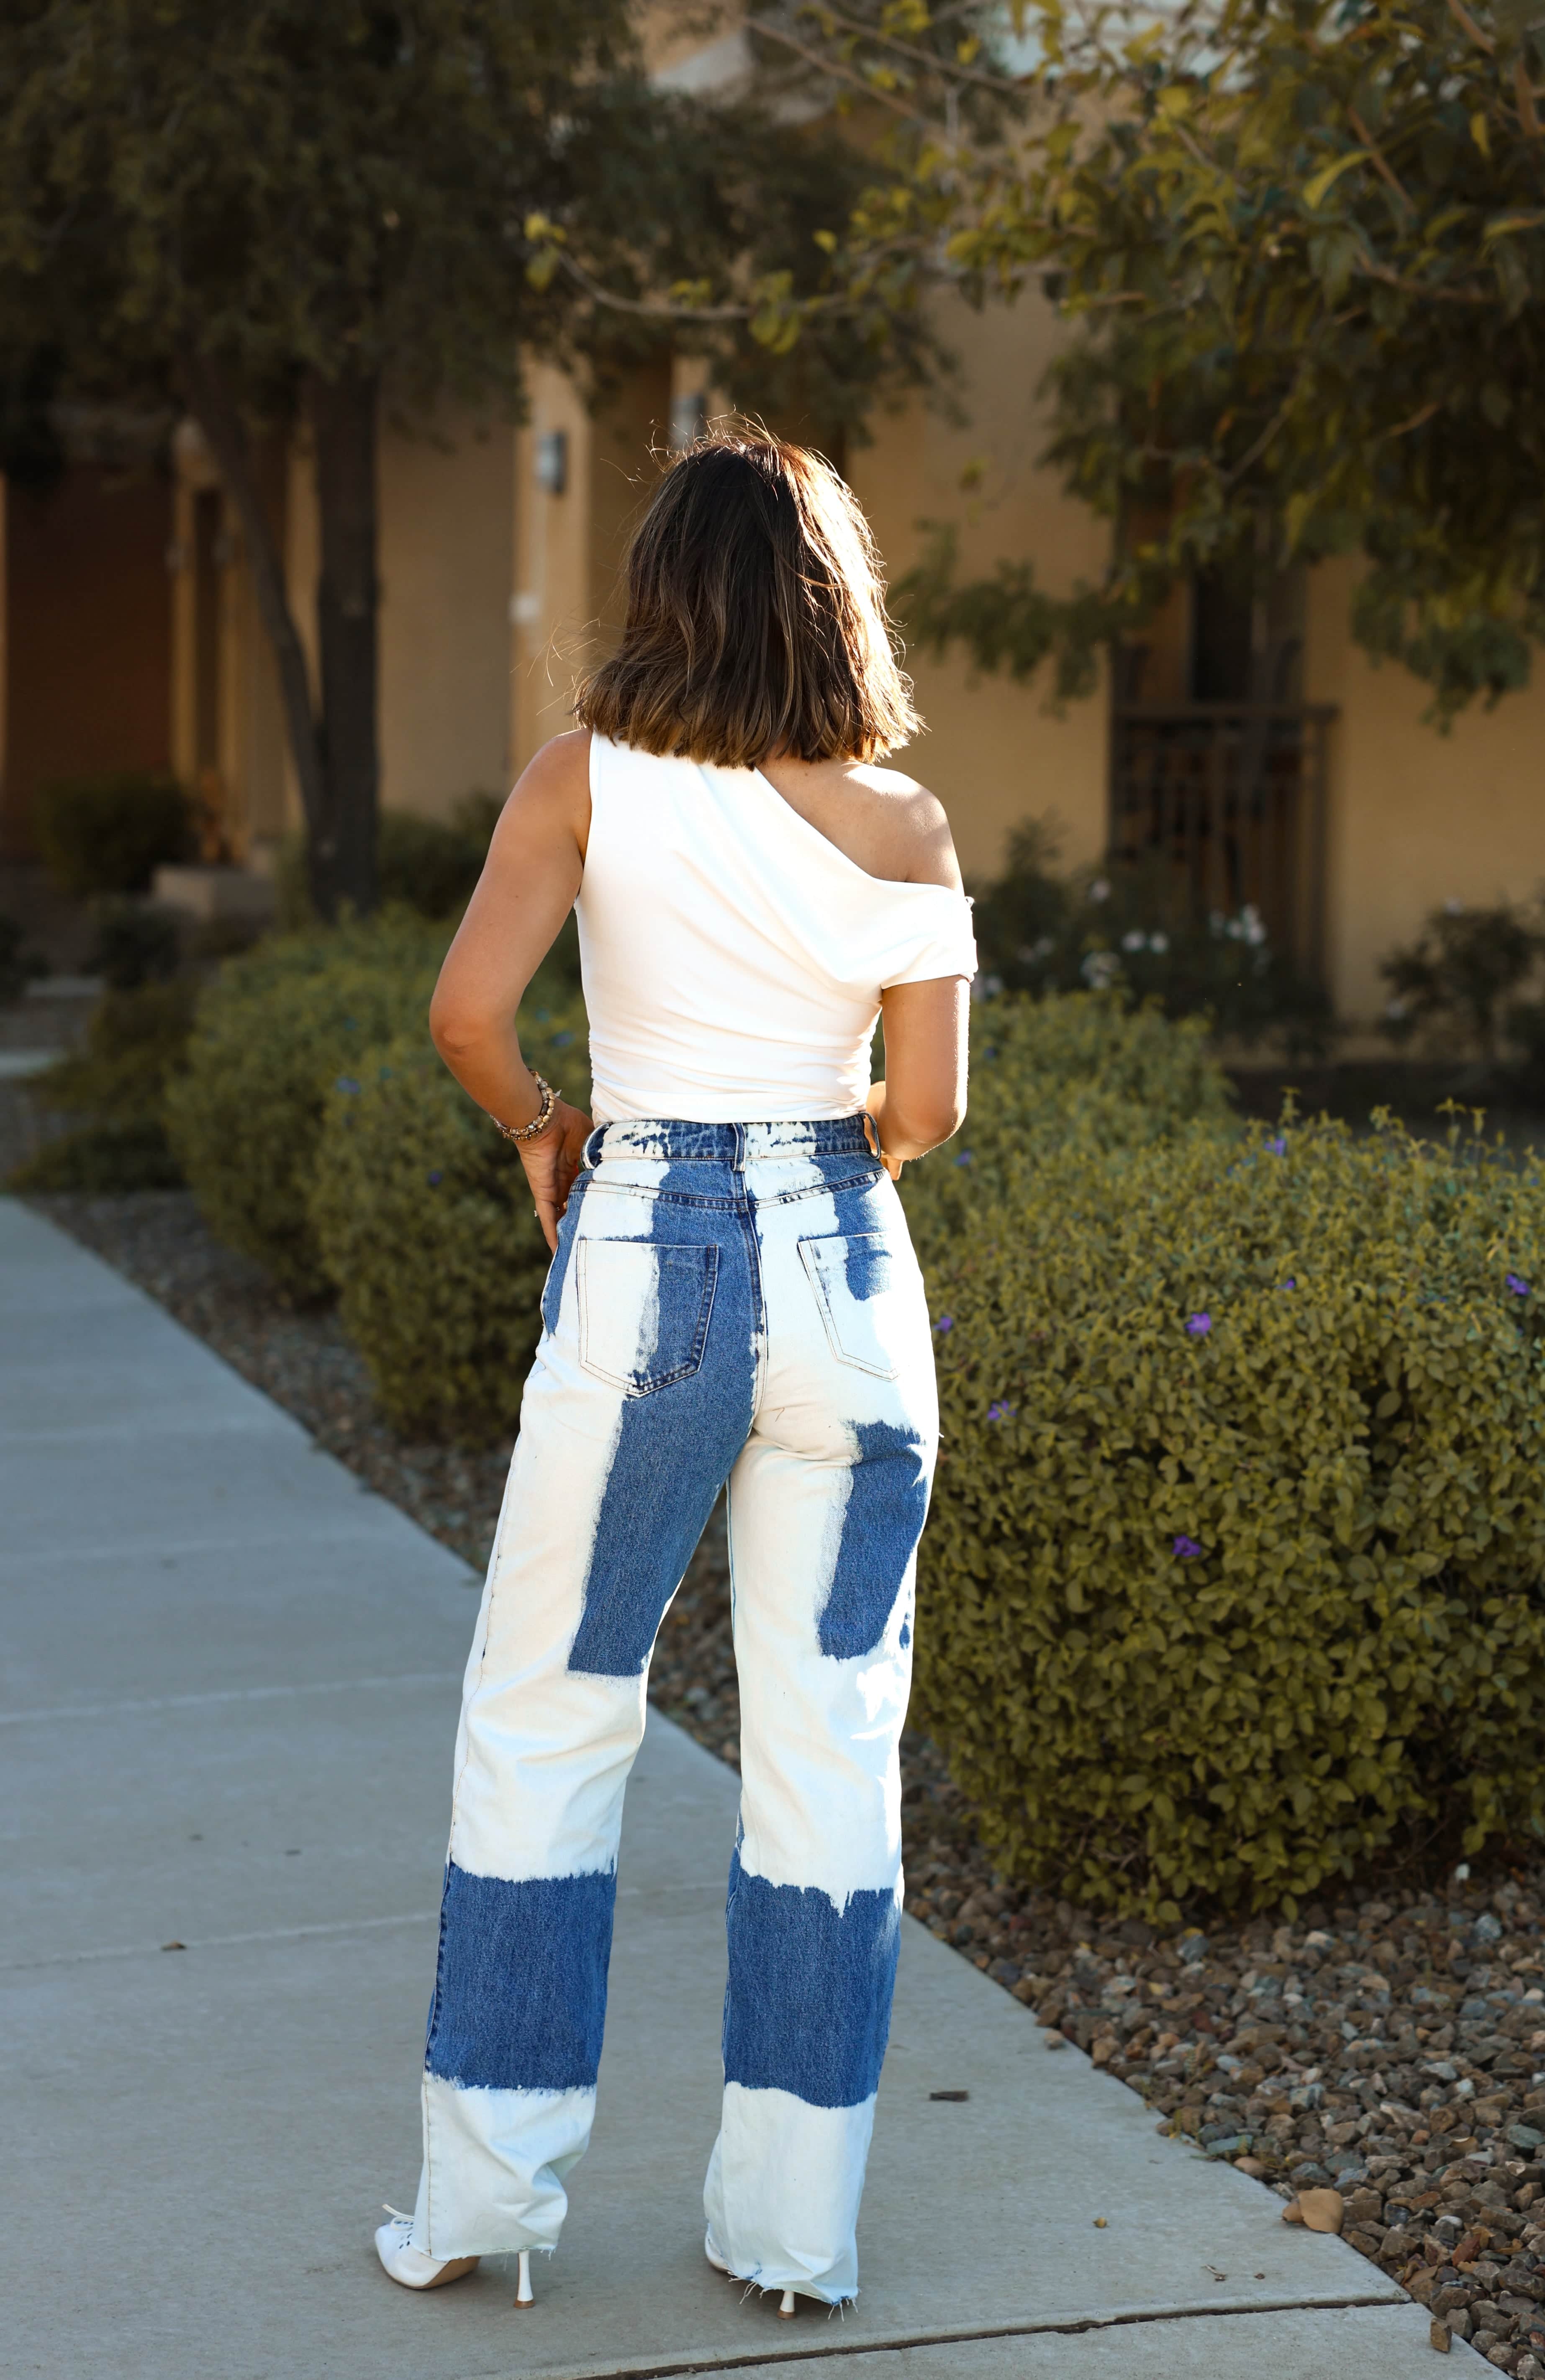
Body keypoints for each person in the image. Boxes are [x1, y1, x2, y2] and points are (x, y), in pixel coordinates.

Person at [373, 429, 975, 2316]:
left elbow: (469, 1014)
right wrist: (812, 1172)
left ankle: (485, 2204)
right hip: (854, 1289)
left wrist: (553, 1132)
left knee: (551, 1714)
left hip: (642, 1259)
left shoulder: (584, 781)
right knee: (826, 1760)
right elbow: (931, 1114)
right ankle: (795, 2238)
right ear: (831, 600)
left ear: (663, 590)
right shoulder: (903, 826)